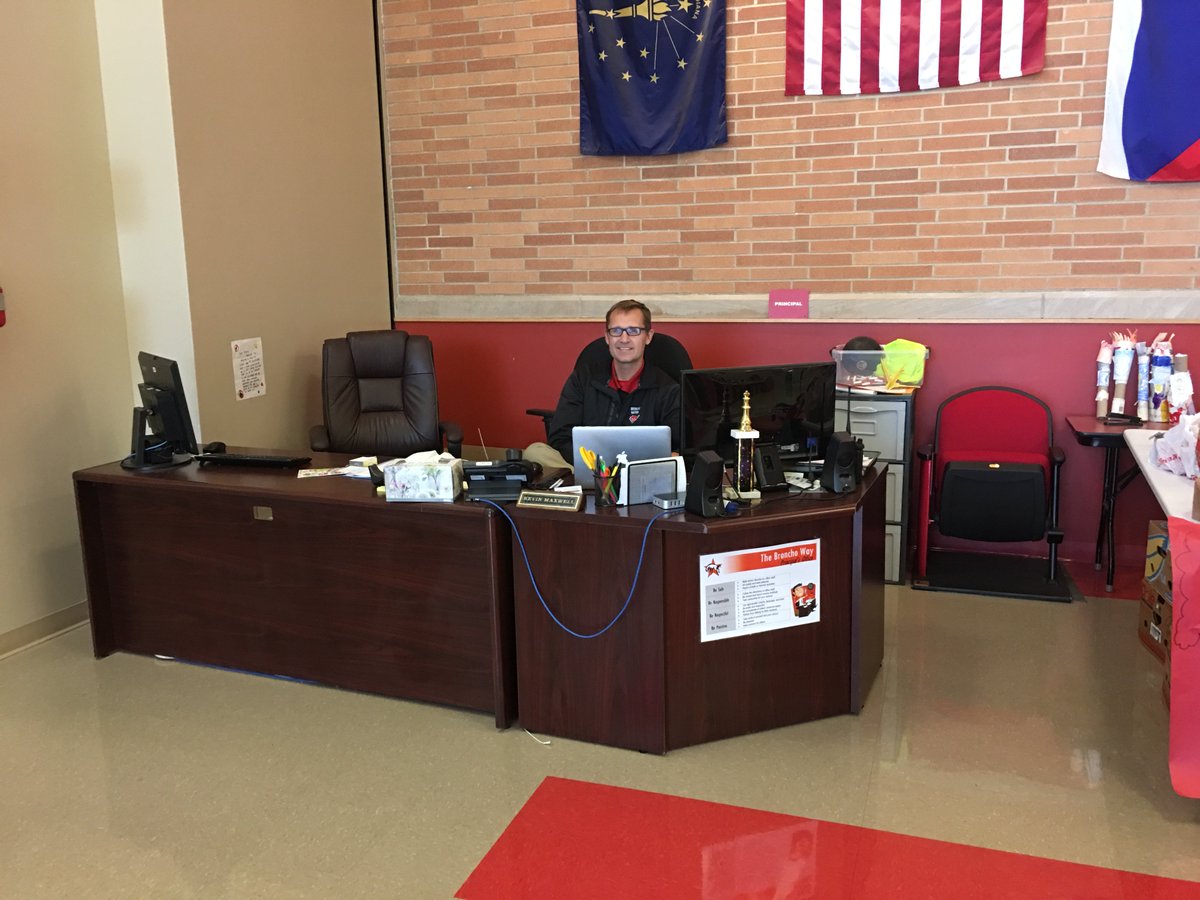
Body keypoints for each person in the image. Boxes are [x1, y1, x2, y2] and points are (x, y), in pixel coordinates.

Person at [524, 299, 682, 472]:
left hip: (640, 473)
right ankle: (603, 482)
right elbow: (560, 438)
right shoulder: (583, 378)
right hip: (589, 468)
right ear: (607, 337)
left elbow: (677, 448)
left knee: (674, 460)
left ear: (648, 336)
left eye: (633, 331)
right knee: (535, 451)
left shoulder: (668, 389)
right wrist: (600, 468)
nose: (624, 339)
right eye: (616, 331)